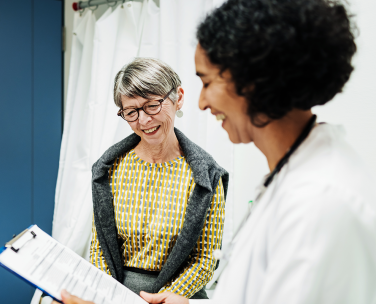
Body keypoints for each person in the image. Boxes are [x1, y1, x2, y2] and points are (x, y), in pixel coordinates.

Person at [137, 0, 376, 303]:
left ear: (254, 80)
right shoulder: (294, 173)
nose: (202, 102)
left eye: (207, 82)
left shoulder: (319, 200)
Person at [52, 57, 229, 304]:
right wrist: (109, 296)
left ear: (178, 97)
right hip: (117, 295)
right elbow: (100, 247)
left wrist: (161, 298)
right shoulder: (109, 169)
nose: (143, 121)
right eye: (131, 112)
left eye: (152, 106)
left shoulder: (206, 176)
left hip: (178, 297)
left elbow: (205, 259)